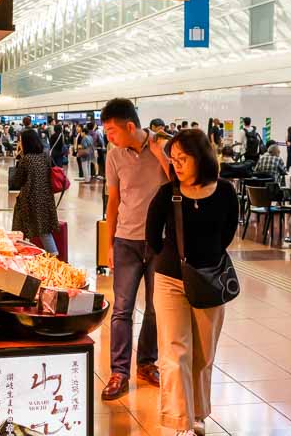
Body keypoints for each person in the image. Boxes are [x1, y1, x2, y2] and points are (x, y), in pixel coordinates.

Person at [146, 130, 238, 436]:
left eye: (183, 159)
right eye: (173, 160)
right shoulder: (167, 193)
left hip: (210, 281)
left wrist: (204, 259)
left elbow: (227, 234)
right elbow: (152, 238)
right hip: (170, 280)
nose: (177, 165)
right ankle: (178, 421)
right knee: (174, 352)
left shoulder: (225, 192)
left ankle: (197, 413)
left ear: (202, 158)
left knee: (203, 353)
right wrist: (173, 260)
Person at [101, 98, 169, 400]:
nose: (109, 136)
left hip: (158, 242)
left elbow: (178, 183)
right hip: (127, 241)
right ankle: (118, 371)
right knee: (121, 309)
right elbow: (113, 201)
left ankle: (146, 363)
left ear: (131, 126)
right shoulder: (114, 156)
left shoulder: (163, 148)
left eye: (112, 130)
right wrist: (109, 244)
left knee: (155, 310)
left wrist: (160, 153)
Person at [10, 130, 61, 256]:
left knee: (20, 231)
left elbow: (16, 181)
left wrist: (18, 157)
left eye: (20, 141)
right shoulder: (45, 157)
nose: (19, 143)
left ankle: (21, 257)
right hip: (45, 199)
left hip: (28, 201)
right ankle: (54, 256)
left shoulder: (26, 159)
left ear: (26, 142)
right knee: (44, 231)